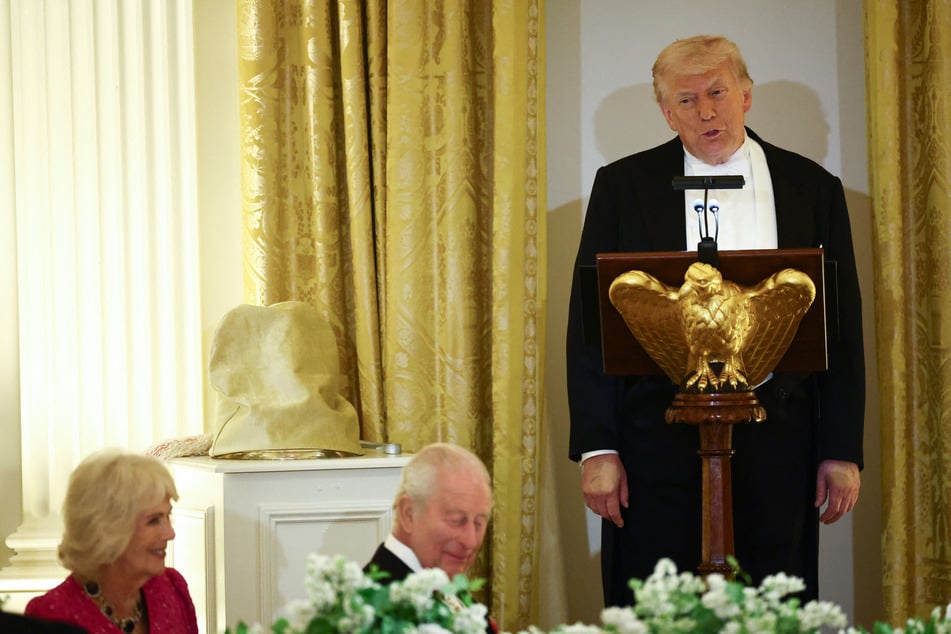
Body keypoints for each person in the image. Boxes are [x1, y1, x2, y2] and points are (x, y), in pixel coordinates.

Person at [566, 34, 865, 607]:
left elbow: (842, 330)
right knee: (657, 602)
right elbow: (590, 328)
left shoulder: (812, 188)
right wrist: (599, 449)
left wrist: (841, 448)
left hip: (779, 439)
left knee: (773, 603)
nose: (705, 111)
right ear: (665, 111)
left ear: (746, 95)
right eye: (686, 99)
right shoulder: (622, 187)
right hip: (655, 441)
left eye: (718, 92)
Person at [25, 450, 199, 633]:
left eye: (167, 516)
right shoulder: (50, 615)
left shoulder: (171, 588)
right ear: (108, 529)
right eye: (154, 520)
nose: (170, 533)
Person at [364, 442, 496, 632]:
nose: (471, 541)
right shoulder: (372, 611)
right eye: (456, 520)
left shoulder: (446, 589)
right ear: (409, 514)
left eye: (479, 523)